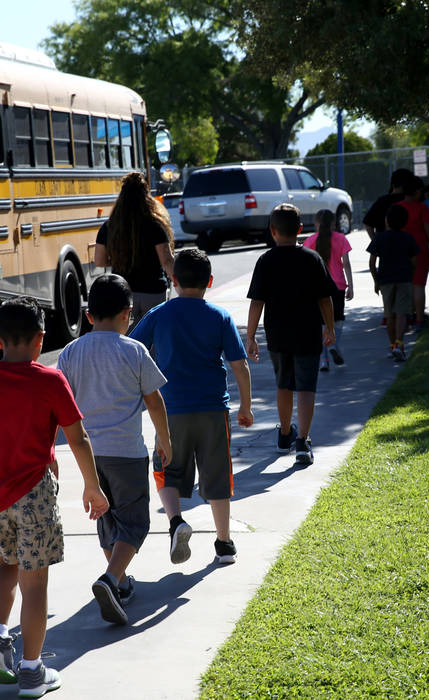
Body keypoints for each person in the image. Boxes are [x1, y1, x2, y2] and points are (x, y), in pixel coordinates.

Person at [0, 296, 109, 698]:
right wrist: (93, 486)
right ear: (40, 339)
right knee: (35, 585)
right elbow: (79, 438)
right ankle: (32, 672)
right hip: (34, 495)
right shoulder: (50, 381)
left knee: (5, 566)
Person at [55, 274, 172, 626]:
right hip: (127, 453)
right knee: (135, 523)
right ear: (128, 314)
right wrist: (164, 439)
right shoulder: (134, 350)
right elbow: (154, 399)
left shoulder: (71, 353)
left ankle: (118, 582)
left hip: (89, 453)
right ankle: (110, 578)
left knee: (107, 520)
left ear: (88, 315)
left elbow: (60, 406)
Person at [131, 248, 254, 565]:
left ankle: (176, 522)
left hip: (170, 411)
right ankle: (224, 543)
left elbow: (132, 349)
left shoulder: (160, 314)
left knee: (165, 470)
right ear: (210, 281)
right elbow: (239, 366)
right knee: (217, 478)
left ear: (173, 281)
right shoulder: (220, 316)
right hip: (213, 410)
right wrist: (246, 407)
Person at [246, 203, 335, 466]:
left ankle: (285, 434)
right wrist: (329, 327)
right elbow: (325, 298)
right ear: (300, 229)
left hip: (278, 334)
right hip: (307, 333)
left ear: (272, 230)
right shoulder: (312, 258)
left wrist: (250, 336)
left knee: (283, 384)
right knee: (306, 387)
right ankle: (302, 442)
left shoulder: (265, 260)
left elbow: (256, 302)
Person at [94, 172, 175, 327]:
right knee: (152, 338)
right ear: (146, 196)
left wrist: (120, 258)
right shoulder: (155, 225)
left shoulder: (109, 227)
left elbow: (100, 260)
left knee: (127, 338)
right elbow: (166, 260)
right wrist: (179, 282)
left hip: (123, 293)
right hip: (153, 291)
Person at [303, 209, 354, 372]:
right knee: (337, 320)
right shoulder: (341, 239)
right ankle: (333, 345)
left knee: (321, 324)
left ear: (316, 223)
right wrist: (351, 285)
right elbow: (346, 263)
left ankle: (324, 360)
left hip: (316, 287)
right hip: (337, 286)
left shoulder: (310, 241)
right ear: (333, 223)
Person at [367, 205, 420, 362]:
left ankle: (392, 347)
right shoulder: (408, 238)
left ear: (387, 221)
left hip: (385, 281)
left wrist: (376, 280)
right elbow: (415, 261)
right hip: (404, 279)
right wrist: (411, 274)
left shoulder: (379, 238)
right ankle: (399, 343)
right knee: (402, 313)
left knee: (389, 315)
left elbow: (371, 262)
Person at [397, 176, 429, 331]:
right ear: (417, 192)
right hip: (420, 250)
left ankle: (406, 316)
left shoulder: (396, 208)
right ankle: (419, 320)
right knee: (418, 285)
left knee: (405, 285)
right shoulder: (422, 208)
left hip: (401, 250)